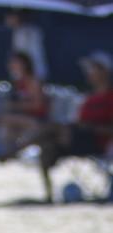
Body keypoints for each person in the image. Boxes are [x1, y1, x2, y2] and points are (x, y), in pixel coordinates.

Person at [11, 51, 113, 202]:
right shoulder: (89, 97)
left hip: (97, 141)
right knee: (47, 146)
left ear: (105, 71)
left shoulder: (109, 97)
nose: (89, 73)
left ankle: (13, 150)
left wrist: (90, 128)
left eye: (93, 69)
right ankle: (49, 195)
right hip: (77, 139)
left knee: (54, 128)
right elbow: (78, 122)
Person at [0, 50, 49, 160]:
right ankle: (1, 153)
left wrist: (15, 106)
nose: (11, 65)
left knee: (5, 120)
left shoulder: (33, 82)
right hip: (23, 117)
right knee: (3, 121)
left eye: (14, 62)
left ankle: (0, 153)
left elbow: (38, 106)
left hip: (38, 119)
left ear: (24, 64)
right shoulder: (17, 82)